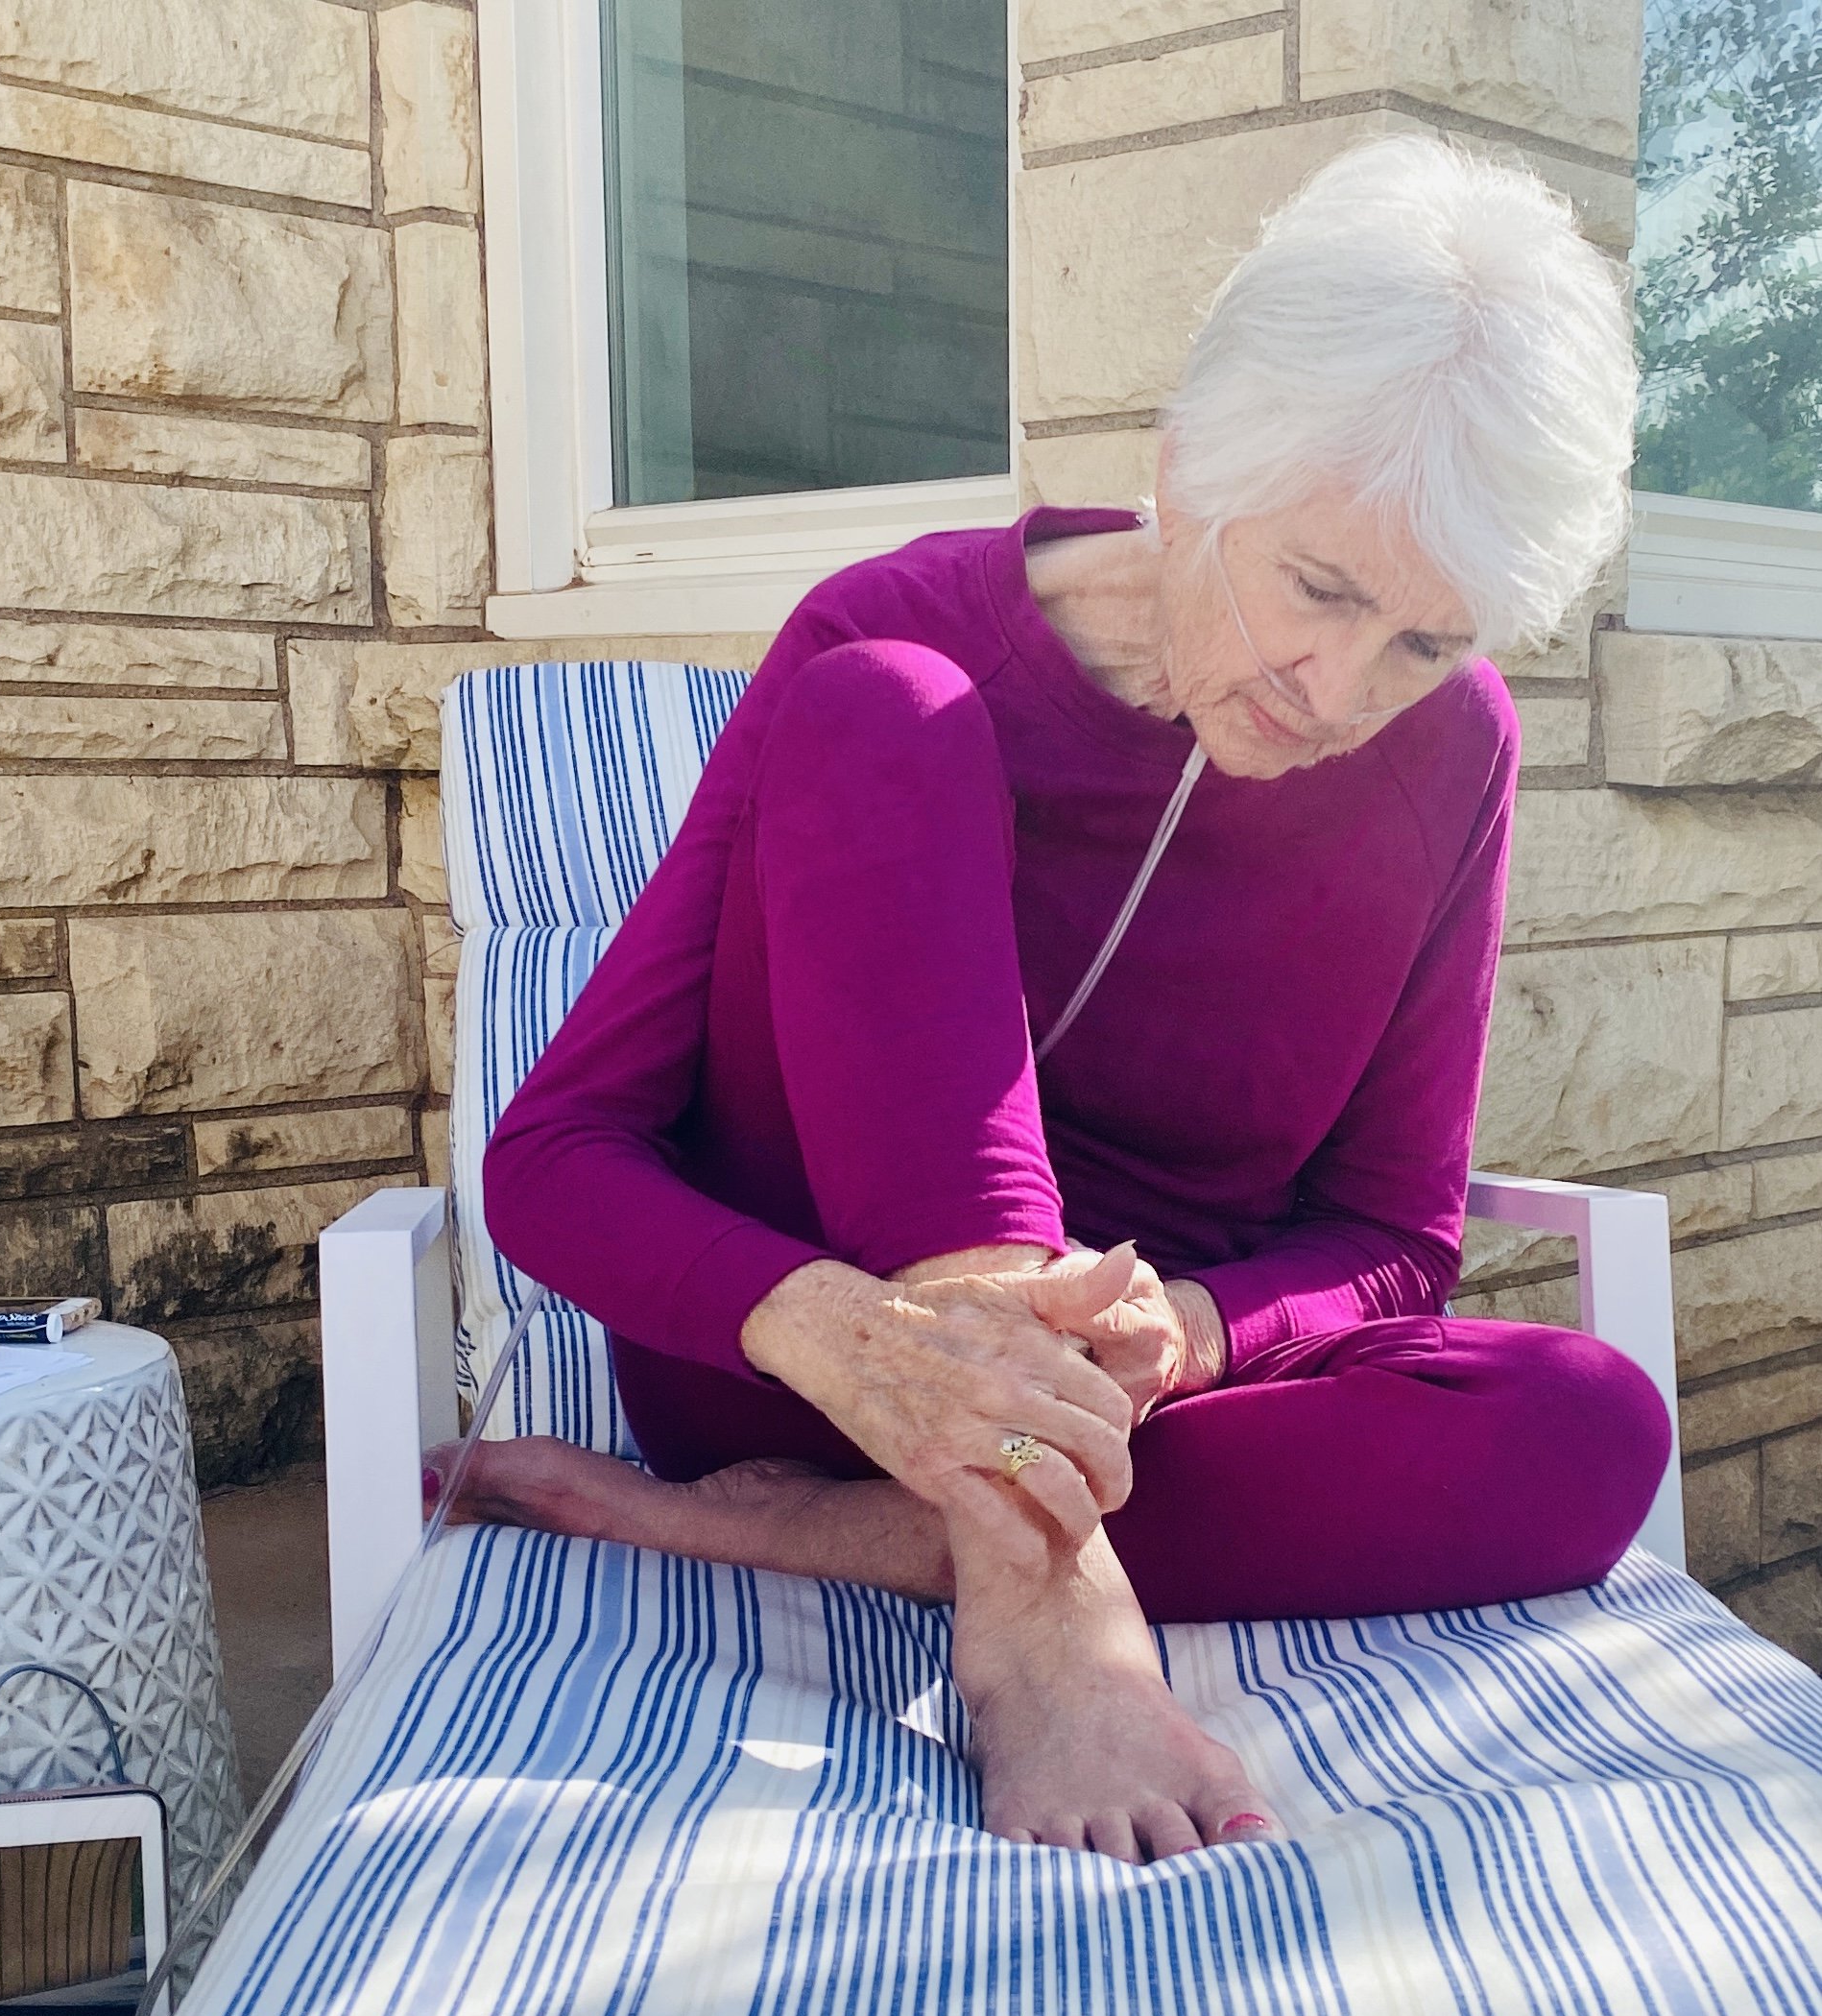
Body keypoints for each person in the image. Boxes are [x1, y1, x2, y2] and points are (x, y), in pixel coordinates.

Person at [442, 135, 1671, 1866]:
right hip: (821, 1362)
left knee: (1591, 1426)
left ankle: (841, 1536)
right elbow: (554, 1157)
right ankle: (1038, 1603)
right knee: (887, 709)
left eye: (1424, 642)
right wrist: (844, 1337)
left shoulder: (1452, 760)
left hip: (1133, 1424)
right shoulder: (892, 632)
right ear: (1188, 467)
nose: (1338, 692)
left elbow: (1392, 1234)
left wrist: (1191, 1326)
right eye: (1317, 588)